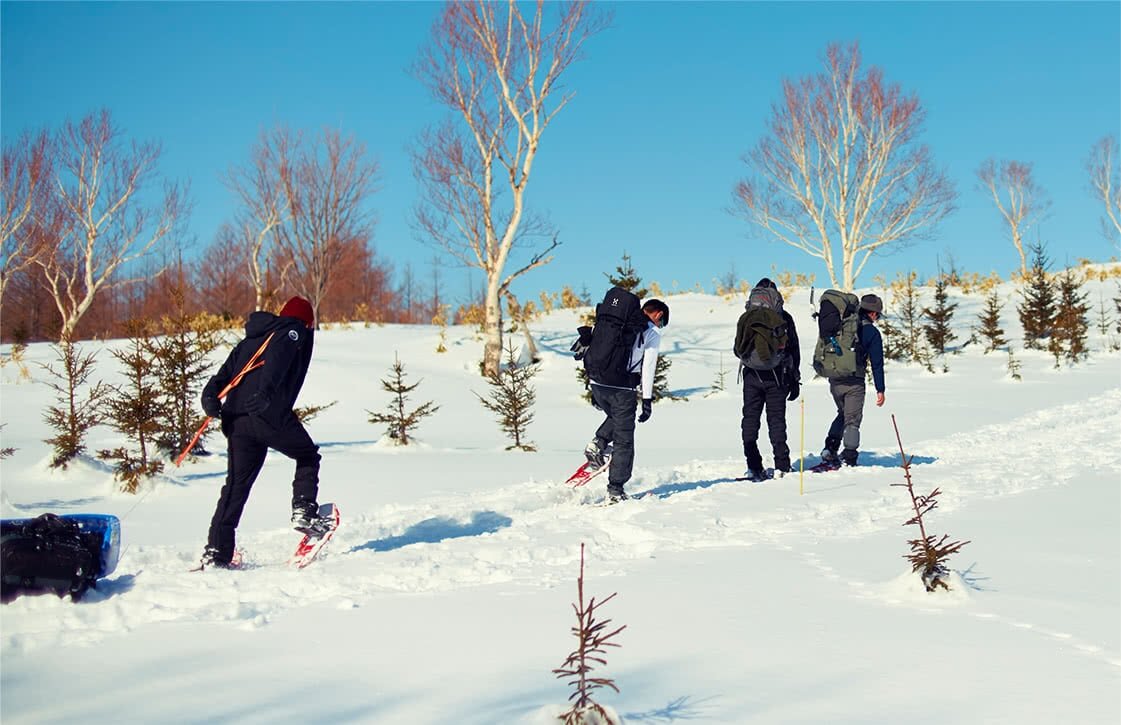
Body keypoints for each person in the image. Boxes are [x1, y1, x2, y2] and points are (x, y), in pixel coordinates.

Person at [198, 295, 326, 568]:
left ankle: (217, 552)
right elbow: (280, 356)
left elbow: (223, 375)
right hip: (267, 414)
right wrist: (266, 392)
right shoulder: (292, 331)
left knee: (235, 487)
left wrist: (209, 398)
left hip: (237, 422)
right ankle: (304, 510)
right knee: (308, 456)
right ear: (306, 321)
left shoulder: (250, 340)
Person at [584, 298, 669, 503]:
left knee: (618, 417)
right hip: (623, 387)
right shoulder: (650, 332)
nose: (661, 325)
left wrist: (593, 386)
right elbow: (648, 368)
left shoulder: (614, 323)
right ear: (657, 314)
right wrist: (647, 400)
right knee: (624, 440)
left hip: (597, 382)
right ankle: (615, 490)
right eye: (663, 321)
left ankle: (599, 443)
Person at [740, 278, 800, 481]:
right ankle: (782, 466)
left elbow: (738, 348)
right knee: (776, 421)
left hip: (751, 375)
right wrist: (795, 379)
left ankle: (753, 466)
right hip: (777, 375)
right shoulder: (784, 317)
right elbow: (794, 349)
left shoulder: (747, 317)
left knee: (750, 420)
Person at [821, 293, 886, 467]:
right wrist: (880, 389)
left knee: (843, 413)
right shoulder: (871, 332)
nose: (877, 318)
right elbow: (877, 363)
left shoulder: (842, 325)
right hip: (854, 381)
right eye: (877, 315)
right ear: (872, 313)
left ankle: (830, 448)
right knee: (853, 419)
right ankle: (849, 457)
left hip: (835, 379)